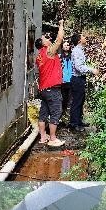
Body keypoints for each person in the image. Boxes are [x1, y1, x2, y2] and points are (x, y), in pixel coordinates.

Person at [35, 20, 65, 148]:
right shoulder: (48, 51)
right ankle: (52, 138)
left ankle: (43, 137)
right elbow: (59, 39)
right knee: (56, 112)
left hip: (44, 89)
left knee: (43, 113)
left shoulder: (39, 56)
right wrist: (61, 25)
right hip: (52, 89)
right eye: (46, 38)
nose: (48, 38)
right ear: (44, 44)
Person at [68, 32, 95, 132]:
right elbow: (79, 67)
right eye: (83, 36)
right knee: (77, 101)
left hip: (80, 79)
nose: (85, 37)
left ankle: (78, 121)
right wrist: (92, 70)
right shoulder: (76, 51)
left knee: (81, 100)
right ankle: (74, 124)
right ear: (79, 40)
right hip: (77, 79)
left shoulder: (80, 50)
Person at [59, 36, 73, 122]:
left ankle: (69, 117)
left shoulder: (73, 56)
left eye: (68, 45)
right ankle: (62, 116)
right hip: (62, 81)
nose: (66, 46)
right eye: (65, 45)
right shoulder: (59, 56)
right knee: (63, 99)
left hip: (71, 81)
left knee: (70, 100)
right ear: (62, 46)